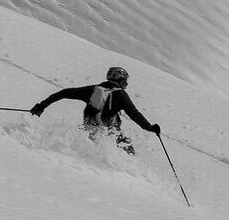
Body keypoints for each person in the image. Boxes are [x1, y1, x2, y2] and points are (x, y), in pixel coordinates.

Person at [30, 66, 160, 154]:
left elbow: (65, 93)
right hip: (109, 132)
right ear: (120, 80)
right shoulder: (120, 94)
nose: (126, 85)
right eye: (125, 82)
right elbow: (134, 114)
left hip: (91, 128)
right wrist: (149, 127)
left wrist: (41, 106)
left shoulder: (93, 90)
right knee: (127, 151)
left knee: (97, 149)